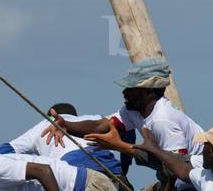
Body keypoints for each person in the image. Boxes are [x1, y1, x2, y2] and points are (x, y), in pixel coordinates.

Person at [42, 58, 203, 173]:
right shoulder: (133, 110)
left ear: (149, 91)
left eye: (132, 88)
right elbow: (100, 127)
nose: (124, 92)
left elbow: (177, 167)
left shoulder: (163, 119)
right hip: (179, 176)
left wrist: (121, 146)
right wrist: (66, 126)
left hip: (197, 175)